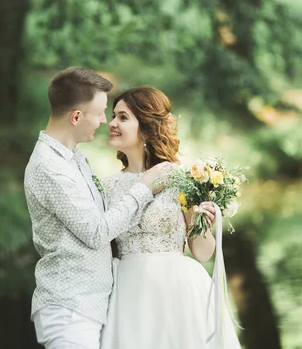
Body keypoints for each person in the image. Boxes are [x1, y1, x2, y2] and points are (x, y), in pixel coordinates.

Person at [24, 68, 174, 349]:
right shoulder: (50, 167)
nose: (105, 121)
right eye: (101, 112)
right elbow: (95, 232)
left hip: (90, 307)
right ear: (76, 117)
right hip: (70, 309)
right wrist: (143, 187)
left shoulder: (73, 158)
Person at [100, 86, 242, 349]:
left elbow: (201, 252)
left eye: (122, 117)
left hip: (177, 291)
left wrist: (204, 225)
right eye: (113, 116)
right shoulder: (107, 187)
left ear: (146, 128)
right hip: (128, 294)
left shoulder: (181, 179)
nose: (112, 123)